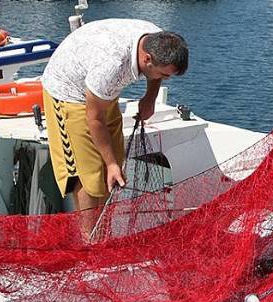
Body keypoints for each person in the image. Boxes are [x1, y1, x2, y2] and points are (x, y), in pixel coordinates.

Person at [41, 19, 188, 230]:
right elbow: (94, 119)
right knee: (90, 176)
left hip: (101, 92)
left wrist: (150, 97)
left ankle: (104, 233)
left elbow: (155, 72)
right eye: (164, 75)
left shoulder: (158, 38)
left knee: (115, 170)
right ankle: (89, 243)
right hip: (69, 94)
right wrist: (110, 164)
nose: (165, 79)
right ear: (147, 59)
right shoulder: (111, 66)